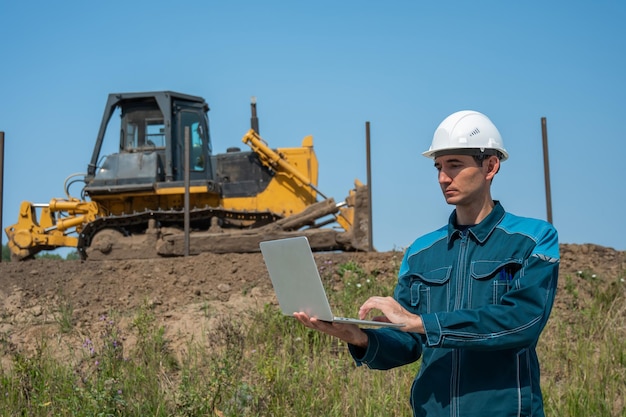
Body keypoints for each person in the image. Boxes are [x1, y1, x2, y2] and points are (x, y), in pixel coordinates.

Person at [294, 110, 559, 417]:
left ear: (491, 166)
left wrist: (423, 323)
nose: (443, 178)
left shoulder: (533, 239)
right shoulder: (421, 252)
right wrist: (358, 337)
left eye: (455, 165)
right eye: (439, 167)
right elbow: (408, 342)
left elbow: (521, 322)